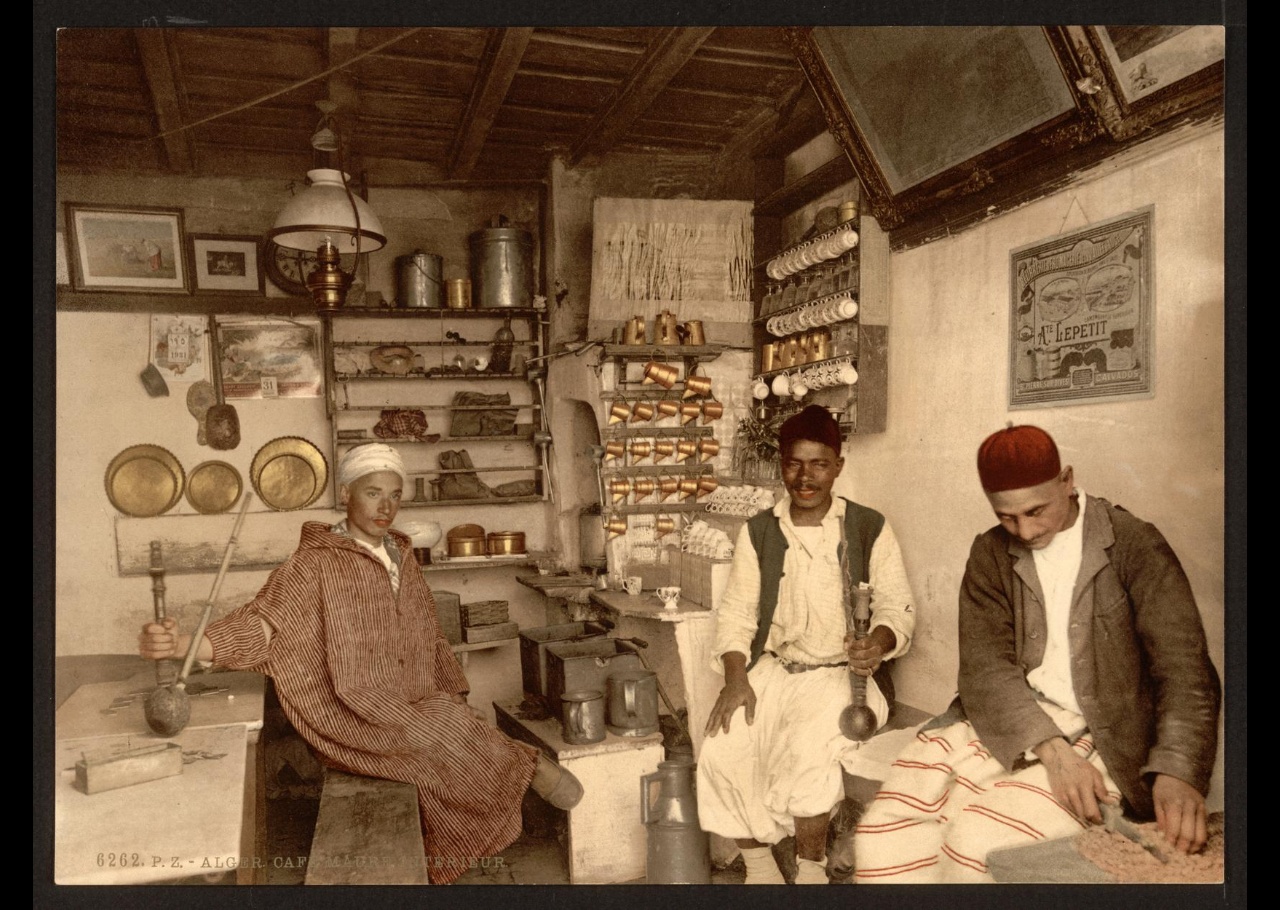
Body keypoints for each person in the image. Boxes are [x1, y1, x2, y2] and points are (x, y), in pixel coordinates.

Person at [139, 443, 582, 884]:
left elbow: (429, 632)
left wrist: (455, 692)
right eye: (373, 493)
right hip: (351, 709)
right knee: (446, 731)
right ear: (346, 493)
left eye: (394, 494)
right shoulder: (311, 564)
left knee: (450, 723)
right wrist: (185, 644)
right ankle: (530, 766)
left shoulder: (402, 555)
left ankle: (445, 846)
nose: (385, 506)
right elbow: (265, 626)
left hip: (415, 700)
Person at [854, 425, 1220, 883]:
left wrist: (1178, 771)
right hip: (1015, 721)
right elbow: (986, 671)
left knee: (979, 845)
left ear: (1066, 480)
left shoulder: (1134, 544)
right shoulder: (990, 552)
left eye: (1035, 511)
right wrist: (1055, 754)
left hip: (1108, 732)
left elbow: (1186, 671)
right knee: (885, 835)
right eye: (1007, 517)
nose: (1024, 530)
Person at [697, 405, 916, 884]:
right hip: (776, 670)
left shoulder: (868, 527)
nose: (806, 476)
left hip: (845, 676)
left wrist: (875, 644)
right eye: (795, 463)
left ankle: (811, 870)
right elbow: (735, 615)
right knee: (721, 744)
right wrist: (736, 680)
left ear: (838, 465)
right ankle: (759, 867)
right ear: (781, 465)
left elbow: (897, 609)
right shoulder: (759, 531)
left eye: (819, 463)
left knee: (807, 751)